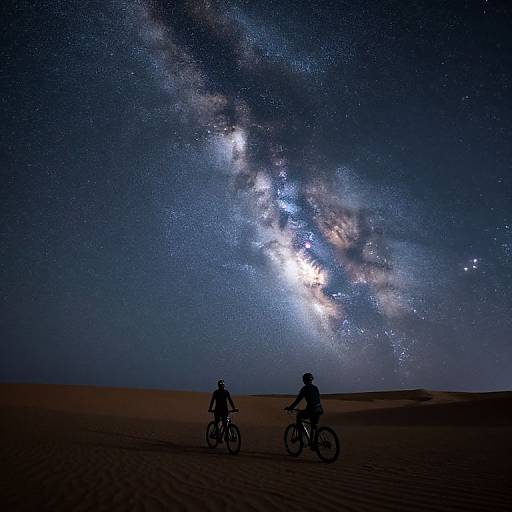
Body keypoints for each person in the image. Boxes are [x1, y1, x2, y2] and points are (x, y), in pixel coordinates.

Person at [285, 373, 323, 448]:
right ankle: (313, 443)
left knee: (299, 417)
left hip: (311, 410)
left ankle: (301, 436)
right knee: (314, 426)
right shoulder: (316, 387)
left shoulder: (304, 389)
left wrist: (290, 407)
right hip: (319, 409)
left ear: (304, 380)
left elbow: (298, 400)